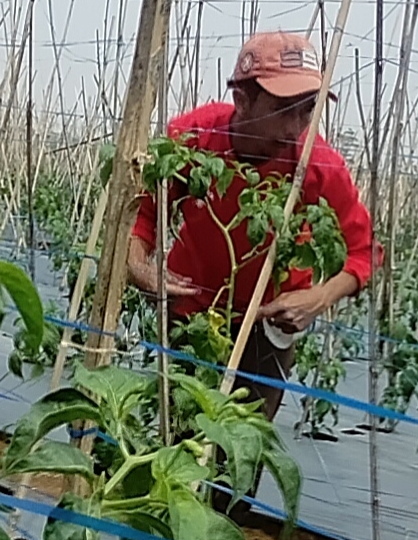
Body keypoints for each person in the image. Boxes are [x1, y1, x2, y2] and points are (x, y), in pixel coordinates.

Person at [125, 31, 375, 420]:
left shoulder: (318, 165)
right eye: (284, 109)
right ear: (242, 99)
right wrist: (138, 266)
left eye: (307, 110)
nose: (296, 128)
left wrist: (318, 298)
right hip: (189, 316)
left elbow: (365, 254)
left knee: (238, 457)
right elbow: (144, 215)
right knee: (174, 440)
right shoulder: (191, 139)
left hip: (266, 330)